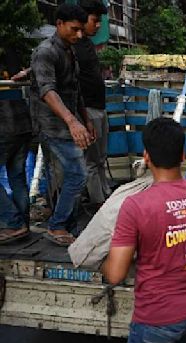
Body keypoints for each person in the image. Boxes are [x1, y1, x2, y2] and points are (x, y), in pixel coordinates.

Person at [102, 118, 186, 343]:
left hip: (157, 319)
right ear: (183, 154)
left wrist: (103, 261)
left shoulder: (136, 206)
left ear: (146, 156)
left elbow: (115, 274)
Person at [29, 4, 93, 246]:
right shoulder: (45, 51)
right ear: (59, 24)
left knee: (73, 175)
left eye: (81, 31)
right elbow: (48, 90)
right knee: (77, 174)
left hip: (69, 123)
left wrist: (85, 119)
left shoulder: (69, 50)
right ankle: (56, 226)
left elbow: (74, 90)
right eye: (74, 29)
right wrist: (73, 122)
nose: (79, 35)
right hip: (51, 125)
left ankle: (68, 225)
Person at [76, 0, 111, 208]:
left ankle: (105, 194)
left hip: (99, 107)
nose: (97, 25)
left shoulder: (88, 44)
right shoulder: (71, 45)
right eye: (94, 20)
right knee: (91, 159)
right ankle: (99, 202)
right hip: (88, 109)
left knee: (100, 157)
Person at [0, 72, 33, 244]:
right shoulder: (8, 71)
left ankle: (13, 223)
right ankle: (22, 224)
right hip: (23, 127)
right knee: (17, 178)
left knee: (17, 177)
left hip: (5, 128)